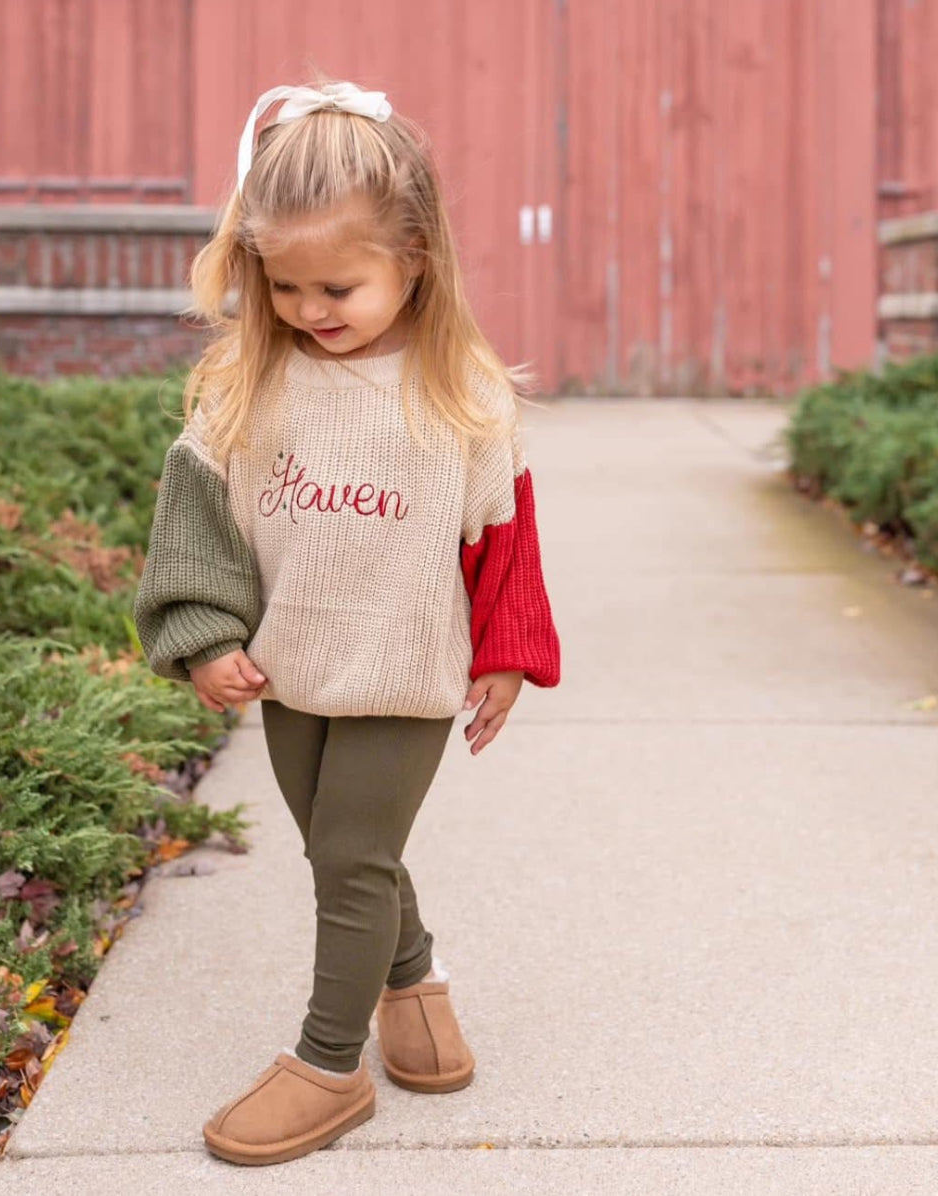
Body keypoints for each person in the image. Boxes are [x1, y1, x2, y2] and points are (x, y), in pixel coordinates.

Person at [133, 79, 561, 1167]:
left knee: (352, 855)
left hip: (408, 667)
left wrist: (508, 654)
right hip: (292, 669)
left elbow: (505, 531)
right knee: (342, 848)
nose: (309, 308)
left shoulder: (458, 391)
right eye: (283, 286)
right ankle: (413, 983)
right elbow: (199, 528)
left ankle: (329, 1065)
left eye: (338, 286)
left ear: (413, 258)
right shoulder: (248, 386)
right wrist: (206, 636)